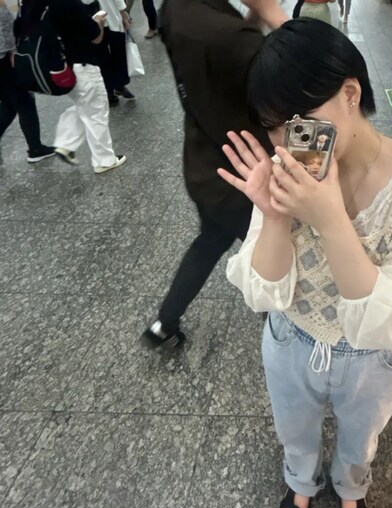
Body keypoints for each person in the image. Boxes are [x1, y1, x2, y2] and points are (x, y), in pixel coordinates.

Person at [222, 19, 392, 508]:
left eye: (300, 120)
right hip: (291, 338)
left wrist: (331, 220)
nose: (288, 142)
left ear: (350, 93)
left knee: (362, 433)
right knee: (294, 425)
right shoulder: (288, 169)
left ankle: (351, 487)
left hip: (375, 360)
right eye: (273, 126)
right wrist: (275, 215)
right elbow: (263, 294)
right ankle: (300, 480)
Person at [140, 0, 289, 350]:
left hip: (204, 162)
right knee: (274, 254)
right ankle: (286, 332)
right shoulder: (231, 37)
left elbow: (227, 60)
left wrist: (254, 15)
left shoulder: (177, 9)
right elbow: (306, 72)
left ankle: (164, 324)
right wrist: (271, 11)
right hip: (246, 175)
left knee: (210, 240)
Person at [15, 0, 126, 172]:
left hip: (60, 68)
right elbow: (96, 37)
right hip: (83, 64)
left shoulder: (31, 4)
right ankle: (104, 160)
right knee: (97, 111)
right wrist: (98, 21)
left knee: (85, 105)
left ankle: (66, 143)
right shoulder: (68, 3)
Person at [0, 0, 54, 165]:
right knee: (25, 103)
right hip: (4, 60)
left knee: (10, 104)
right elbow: (5, 30)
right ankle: (35, 149)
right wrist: (14, 50)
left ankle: (35, 147)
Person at [97, 0, 135, 106]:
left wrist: (124, 13)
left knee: (116, 54)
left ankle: (117, 85)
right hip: (98, 19)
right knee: (104, 57)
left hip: (110, 15)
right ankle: (110, 90)